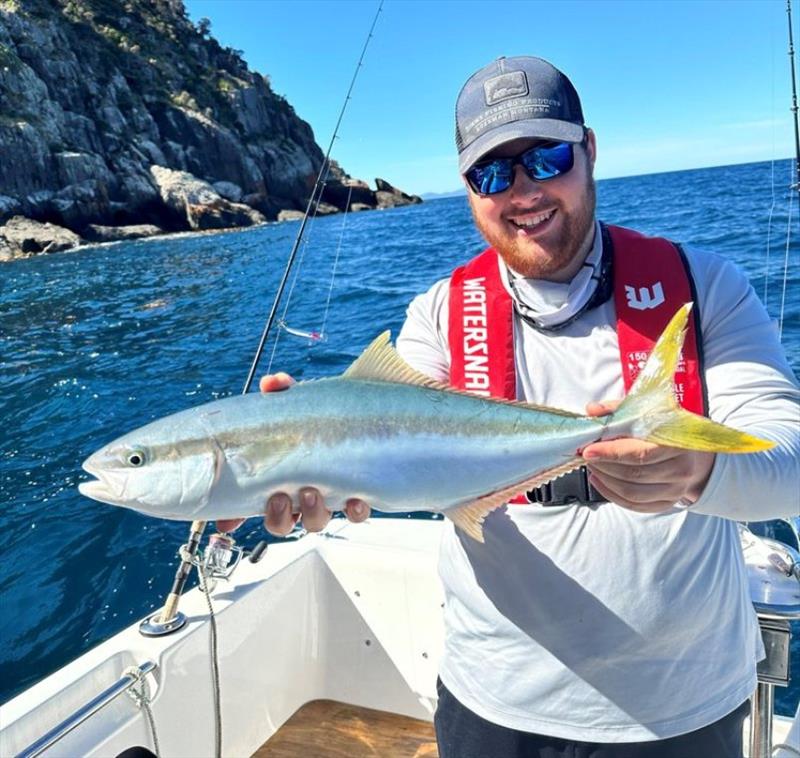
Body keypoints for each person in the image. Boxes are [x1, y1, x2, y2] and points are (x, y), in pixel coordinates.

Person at [221, 56, 800, 757]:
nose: (522, 191)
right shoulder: (438, 315)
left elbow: (790, 461)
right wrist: (296, 446)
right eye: (491, 174)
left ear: (589, 151)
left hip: (681, 708)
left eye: (546, 158)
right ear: (467, 188)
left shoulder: (705, 287)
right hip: (493, 703)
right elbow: (388, 434)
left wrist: (694, 473)